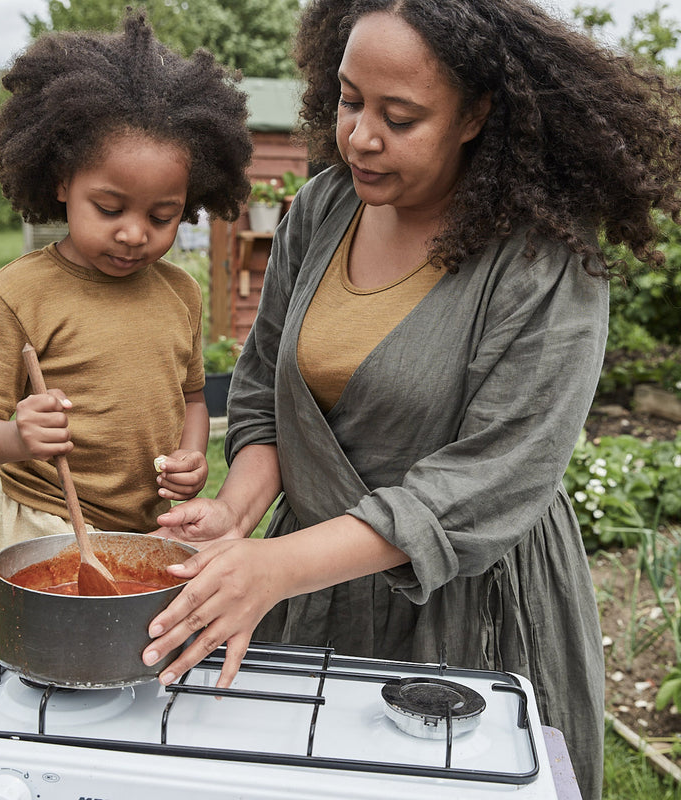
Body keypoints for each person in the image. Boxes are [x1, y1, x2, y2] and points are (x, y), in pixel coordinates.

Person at [141, 1, 681, 798]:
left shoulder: (542, 260)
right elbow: (264, 395)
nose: (360, 135)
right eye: (350, 99)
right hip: (308, 589)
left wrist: (281, 564)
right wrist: (236, 514)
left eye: (400, 116)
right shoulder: (323, 210)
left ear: (475, 115)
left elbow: (490, 481)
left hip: (471, 608)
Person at [0, 10, 252, 598]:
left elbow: (193, 398)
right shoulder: (22, 292)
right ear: (62, 182)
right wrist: (16, 437)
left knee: (145, 658)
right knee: (55, 660)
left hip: (148, 523)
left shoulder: (180, 293)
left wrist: (193, 455)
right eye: (110, 208)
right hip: (46, 521)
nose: (135, 233)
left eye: (161, 216)